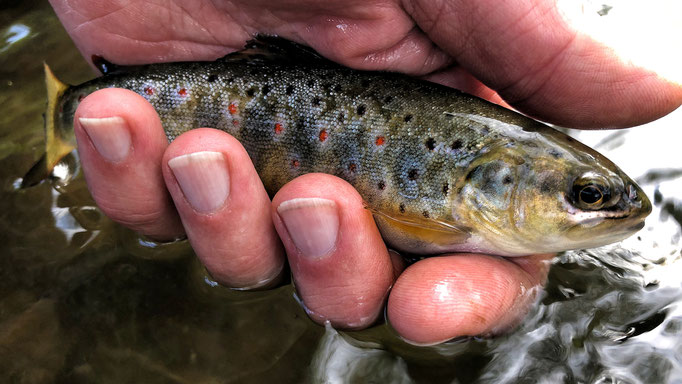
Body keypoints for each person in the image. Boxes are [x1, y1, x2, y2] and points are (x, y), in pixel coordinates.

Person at [48, 0, 682, 345]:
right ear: (502, 182)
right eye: (586, 196)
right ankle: (62, 114)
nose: (606, 212)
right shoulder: (445, 213)